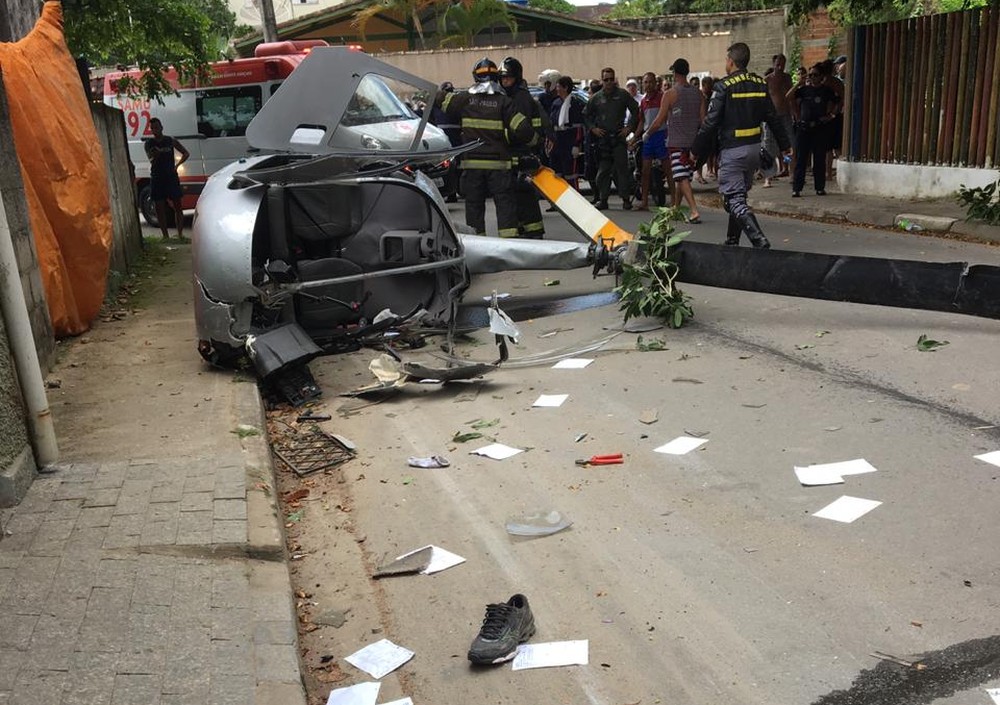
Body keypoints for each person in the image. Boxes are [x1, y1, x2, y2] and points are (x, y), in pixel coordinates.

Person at [693, 42, 790, 249]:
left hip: (733, 152)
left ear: (731, 61)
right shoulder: (759, 83)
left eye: (726, 59)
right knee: (739, 196)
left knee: (732, 200)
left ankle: (758, 239)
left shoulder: (723, 86)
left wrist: (695, 151)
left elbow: (710, 124)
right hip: (754, 151)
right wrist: (785, 145)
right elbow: (773, 118)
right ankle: (732, 241)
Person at [436, 58, 533, 238]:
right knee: (505, 204)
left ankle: (479, 242)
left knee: (474, 206)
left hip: (472, 167)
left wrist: (433, 91)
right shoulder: (504, 102)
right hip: (499, 166)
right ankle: (509, 242)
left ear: (475, 77)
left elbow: (441, 100)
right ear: (496, 76)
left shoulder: (464, 99)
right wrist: (511, 138)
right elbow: (524, 131)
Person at [649, 58, 705, 222]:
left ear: (674, 73)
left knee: (681, 177)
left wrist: (647, 134)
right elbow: (704, 120)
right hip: (693, 142)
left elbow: (659, 120)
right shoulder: (698, 93)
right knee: (683, 175)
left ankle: (694, 210)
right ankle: (675, 207)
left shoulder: (670, 94)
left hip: (676, 142)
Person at [500, 56, 548, 238]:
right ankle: (527, 229)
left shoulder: (520, 98)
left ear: (517, 78)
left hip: (521, 153)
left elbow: (522, 130)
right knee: (517, 195)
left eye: (508, 78)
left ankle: (534, 231)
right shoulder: (513, 96)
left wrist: (500, 138)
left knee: (525, 195)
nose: (505, 82)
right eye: (503, 78)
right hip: (518, 152)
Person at [584, 67, 639, 210]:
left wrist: (629, 128)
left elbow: (635, 109)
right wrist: (593, 128)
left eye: (611, 79)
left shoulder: (622, 95)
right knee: (603, 172)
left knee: (622, 170)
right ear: (602, 80)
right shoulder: (596, 98)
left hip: (619, 138)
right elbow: (585, 115)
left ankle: (626, 199)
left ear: (614, 79)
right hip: (603, 140)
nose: (609, 82)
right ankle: (603, 199)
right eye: (606, 79)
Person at [786, 62, 838, 197]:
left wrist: (831, 115)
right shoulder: (804, 90)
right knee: (800, 159)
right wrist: (799, 83)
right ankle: (797, 188)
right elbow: (788, 97)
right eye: (810, 75)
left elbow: (838, 101)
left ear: (821, 77)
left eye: (815, 75)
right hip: (804, 128)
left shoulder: (826, 91)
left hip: (819, 127)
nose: (812, 78)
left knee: (819, 159)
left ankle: (819, 187)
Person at [144, 117, 190, 240]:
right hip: (157, 177)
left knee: (177, 206)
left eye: (157, 127)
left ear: (162, 127)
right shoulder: (149, 144)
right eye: (152, 128)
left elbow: (186, 153)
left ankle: (180, 235)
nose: (155, 130)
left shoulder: (170, 141)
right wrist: (156, 155)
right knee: (159, 207)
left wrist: (177, 165)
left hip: (171, 176)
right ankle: (165, 236)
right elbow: (151, 160)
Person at [630, 71, 667, 210]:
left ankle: (674, 202)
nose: (648, 84)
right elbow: (642, 122)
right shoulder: (643, 101)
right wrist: (634, 138)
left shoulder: (663, 98)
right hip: (647, 138)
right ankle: (644, 202)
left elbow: (665, 118)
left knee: (667, 169)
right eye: (645, 82)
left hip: (661, 135)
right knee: (645, 171)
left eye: (651, 81)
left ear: (655, 83)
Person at [547, 75, 587, 191]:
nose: (557, 89)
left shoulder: (575, 104)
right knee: (556, 173)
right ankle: (557, 201)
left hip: (569, 143)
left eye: (558, 86)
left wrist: (576, 145)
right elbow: (551, 123)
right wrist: (549, 141)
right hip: (557, 143)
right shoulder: (555, 103)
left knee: (570, 173)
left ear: (565, 88)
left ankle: (574, 201)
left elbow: (579, 127)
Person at [763, 53, 794, 187]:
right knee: (768, 147)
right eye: (778, 64)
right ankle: (768, 177)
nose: (780, 67)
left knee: (789, 146)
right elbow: (762, 99)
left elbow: (791, 98)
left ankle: (791, 171)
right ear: (773, 65)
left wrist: (794, 113)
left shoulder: (787, 78)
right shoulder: (768, 80)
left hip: (786, 116)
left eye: (782, 64)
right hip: (771, 118)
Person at [429, 81, 462, 203]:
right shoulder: (456, 103)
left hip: (445, 138)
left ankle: (453, 192)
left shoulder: (436, 103)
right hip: (453, 138)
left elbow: (430, 118)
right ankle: (455, 191)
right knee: (454, 165)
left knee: (449, 165)